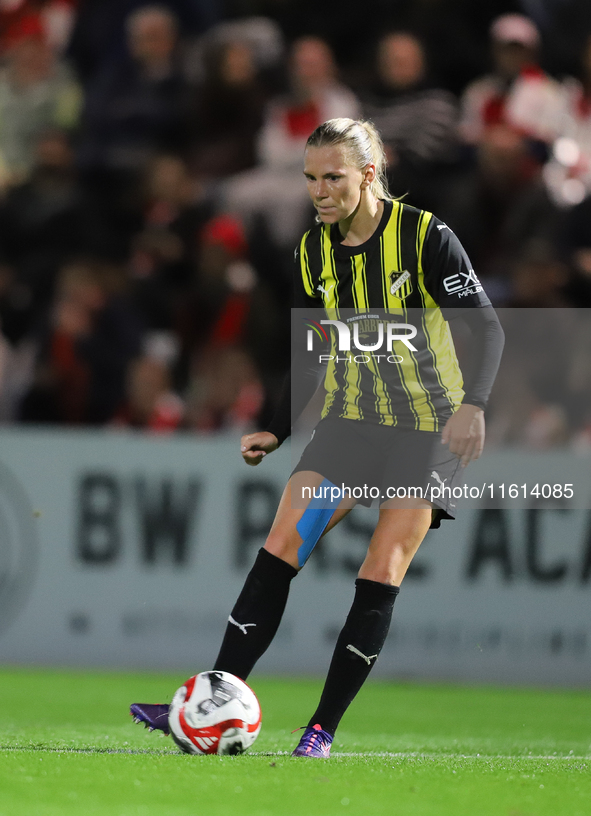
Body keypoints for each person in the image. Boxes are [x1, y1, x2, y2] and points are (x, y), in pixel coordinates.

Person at [130, 118, 504, 757]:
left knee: (381, 564)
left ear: (369, 172)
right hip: (353, 422)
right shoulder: (312, 251)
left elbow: (488, 330)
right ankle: (214, 697)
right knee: (282, 543)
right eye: (310, 178)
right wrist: (276, 426)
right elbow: (311, 351)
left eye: (333, 177)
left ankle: (321, 730)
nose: (320, 191)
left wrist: (474, 406)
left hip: (427, 429)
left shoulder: (425, 238)